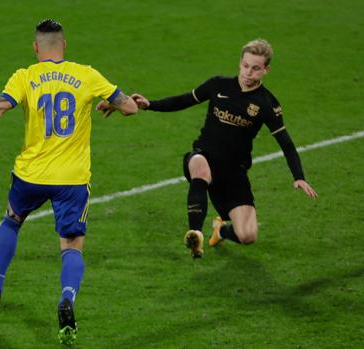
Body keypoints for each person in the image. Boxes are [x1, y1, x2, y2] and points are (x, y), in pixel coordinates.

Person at [0, 19, 137, 345]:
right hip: (72, 180)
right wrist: (111, 104)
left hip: (29, 176)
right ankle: (67, 299)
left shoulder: (25, 76)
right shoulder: (87, 74)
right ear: (64, 45)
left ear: (36, 48)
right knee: (71, 245)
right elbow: (130, 107)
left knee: (12, 220)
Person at [110, 39, 317, 259]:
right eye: (245, 65)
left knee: (248, 236)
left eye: (256, 68)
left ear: (266, 70)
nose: (249, 72)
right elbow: (183, 100)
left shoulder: (267, 104)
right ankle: (195, 233)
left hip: (234, 172)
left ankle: (221, 230)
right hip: (204, 156)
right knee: (200, 169)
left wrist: (299, 176)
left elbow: (286, 142)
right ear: (240, 63)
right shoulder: (218, 85)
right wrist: (150, 104)